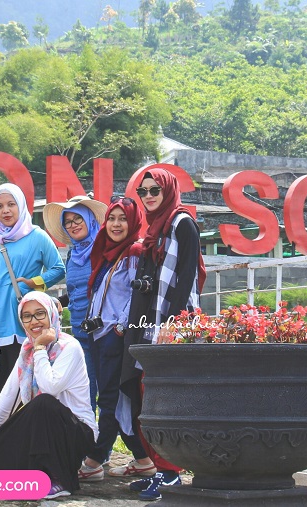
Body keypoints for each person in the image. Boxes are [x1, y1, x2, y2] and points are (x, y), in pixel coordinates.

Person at [121, 168, 206, 501]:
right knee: (147, 395)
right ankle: (160, 469)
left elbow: (186, 277)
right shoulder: (155, 228)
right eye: (142, 192)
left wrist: (172, 323)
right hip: (149, 323)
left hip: (172, 326)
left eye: (155, 190)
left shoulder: (182, 223)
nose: (148, 196)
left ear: (168, 189)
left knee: (166, 399)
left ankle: (170, 473)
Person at [0, 291, 97, 500]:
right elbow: (8, 395)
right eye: (26, 316)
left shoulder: (69, 347)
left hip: (77, 432)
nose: (34, 321)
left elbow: (51, 387)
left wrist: (39, 348)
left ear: (52, 315)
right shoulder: (26, 349)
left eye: (40, 314)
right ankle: (34, 475)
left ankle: (58, 478)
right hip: (45, 429)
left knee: (42, 402)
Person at [78, 196, 156, 482]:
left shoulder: (134, 252)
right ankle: (143, 460)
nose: (116, 224)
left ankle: (93, 461)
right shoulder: (110, 253)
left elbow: (138, 296)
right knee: (116, 398)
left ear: (133, 222)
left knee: (110, 398)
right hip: (100, 334)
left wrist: (121, 327)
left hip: (114, 335)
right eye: (112, 218)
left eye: (123, 218)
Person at [0, 183, 65, 396]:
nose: (6, 210)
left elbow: (59, 269)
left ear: (21, 206)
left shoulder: (37, 236)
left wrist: (35, 283)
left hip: (22, 322)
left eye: (11, 204)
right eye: (0, 206)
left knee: (21, 386)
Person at [42, 195, 107, 413]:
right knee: (83, 390)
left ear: (89, 219)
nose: (73, 225)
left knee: (107, 391)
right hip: (80, 333)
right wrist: (57, 301)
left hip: (104, 331)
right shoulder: (73, 254)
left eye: (77, 218)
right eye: (67, 222)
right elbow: (75, 292)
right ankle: (87, 438)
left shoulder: (104, 250)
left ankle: (105, 443)